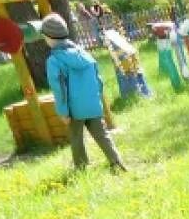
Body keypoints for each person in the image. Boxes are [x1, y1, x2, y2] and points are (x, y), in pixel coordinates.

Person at [40, 14, 125, 171]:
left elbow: (59, 88)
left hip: (74, 110)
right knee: (102, 135)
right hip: (92, 104)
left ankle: (81, 167)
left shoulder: (54, 61)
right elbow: (98, 81)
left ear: (49, 38)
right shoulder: (84, 54)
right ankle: (117, 162)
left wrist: (63, 111)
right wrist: (96, 100)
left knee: (76, 137)